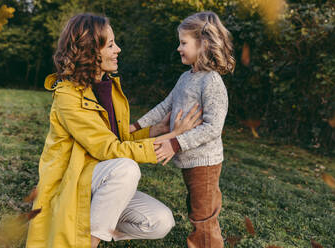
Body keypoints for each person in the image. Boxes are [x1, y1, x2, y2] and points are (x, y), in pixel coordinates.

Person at [25, 13, 202, 248]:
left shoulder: (109, 86)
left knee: (160, 221)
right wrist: (170, 139)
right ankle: (88, 242)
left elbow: (118, 138)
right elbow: (109, 149)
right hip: (72, 183)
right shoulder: (68, 95)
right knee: (126, 169)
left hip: (99, 181)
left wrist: (156, 130)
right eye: (110, 45)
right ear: (90, 51)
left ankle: (82, 227)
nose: (118, 49)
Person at [131, 12, 235, 248]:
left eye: (184, 42)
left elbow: (212, 128)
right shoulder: (185, 78)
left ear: (203, 44)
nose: (179, 48)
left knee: (203, 216)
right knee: (198, 209)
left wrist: (175, 143)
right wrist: (136, 126)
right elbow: (163, 107)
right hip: (191, 161)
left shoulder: (212, 82)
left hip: (205, 162)